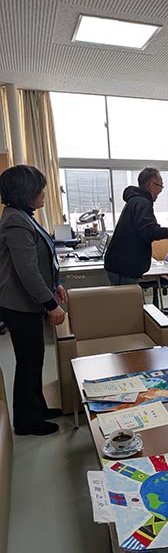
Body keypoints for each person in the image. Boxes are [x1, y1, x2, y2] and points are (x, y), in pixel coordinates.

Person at [0, 165, 67, 436]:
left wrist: (54, 286)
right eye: (40, 189)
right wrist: (51, 305)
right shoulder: (16, 221)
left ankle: (37, 407)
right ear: (26, 191)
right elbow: (26, 271)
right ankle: (27, 421)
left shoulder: (24, 216)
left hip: (26, 303)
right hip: (19, 305)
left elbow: (40, 259)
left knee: (34, 359)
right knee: (28, 361)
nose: (44, 193)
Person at [104, 168, 168, 286]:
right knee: (126, 297)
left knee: (127, 297)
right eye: (161, 186)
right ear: (151, 185)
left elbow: (145, 229)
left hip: (121, 264)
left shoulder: (136, 200)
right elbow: (149, 231)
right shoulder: (142, 203)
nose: (161, 190)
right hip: (124, 266)